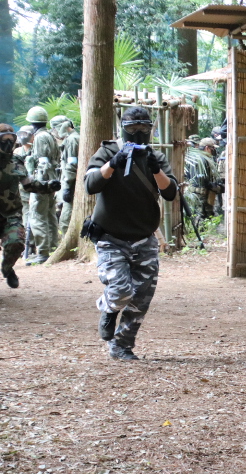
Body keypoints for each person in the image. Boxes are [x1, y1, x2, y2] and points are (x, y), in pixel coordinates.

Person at [84, 106, 177, 361]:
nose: (137, 134)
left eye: (143, 128)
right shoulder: (107, 152)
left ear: (150, 129)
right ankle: (108, 309)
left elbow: (170, 193)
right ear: (122, 129)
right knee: (121, 290)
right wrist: (112, 164)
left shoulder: (155, 157)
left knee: (141, 299)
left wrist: (156, 169)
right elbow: (90, 185)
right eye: (132, 129)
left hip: (144, 238)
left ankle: (122, 346)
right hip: (110, 237)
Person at [0, 125, 61, 287]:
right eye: (4, 140)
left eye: (11, 140)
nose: (7, 144)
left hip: (10, 215)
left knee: (16, 243)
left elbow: (29, 185)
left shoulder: (16, 161)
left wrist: (48, 186)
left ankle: (7, 269)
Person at [24, 106, 60, 264]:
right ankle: (53, 248)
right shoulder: (50, 135)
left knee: (37, 216)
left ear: (32, 123)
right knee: (50, 215)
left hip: (42, 182)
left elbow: (43, 163)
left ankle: (43, 252)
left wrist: (39, 184)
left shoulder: (40, 137)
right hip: (52, 181)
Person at [52, 117, 79, 235]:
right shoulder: (74, 138)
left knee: (65, 223)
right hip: (74, 184)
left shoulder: (72, 140)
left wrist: (67, 187)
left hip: (72, 185)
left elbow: (72, 165)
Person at [184, 138, 221, 221]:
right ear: (207, 148)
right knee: (201, 217)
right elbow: (202, 179)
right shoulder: (202, 159)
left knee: (199, 216)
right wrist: (216, 187)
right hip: (201, 193)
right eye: (212, 148)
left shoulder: (196, 157)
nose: (213, 151)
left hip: (195, 192)